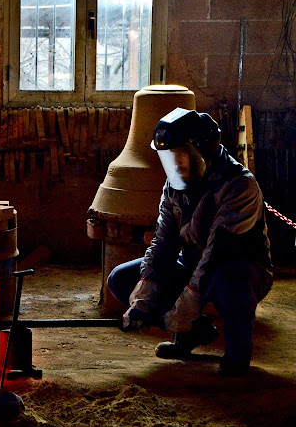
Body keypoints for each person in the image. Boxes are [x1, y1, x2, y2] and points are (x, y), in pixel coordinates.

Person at [108, 108, 273, 377]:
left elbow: (219, 251)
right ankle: (193, 334)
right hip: (195, 262)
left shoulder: (239, 185)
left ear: (202, 151)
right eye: (168, 157)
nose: (175, 165)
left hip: (239, 267)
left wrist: (186, 304)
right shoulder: (175, 184)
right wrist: (144, 295)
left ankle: (237, 356)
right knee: (121, 279)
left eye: (180, 155)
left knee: (230, 283)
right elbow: (163, 242)